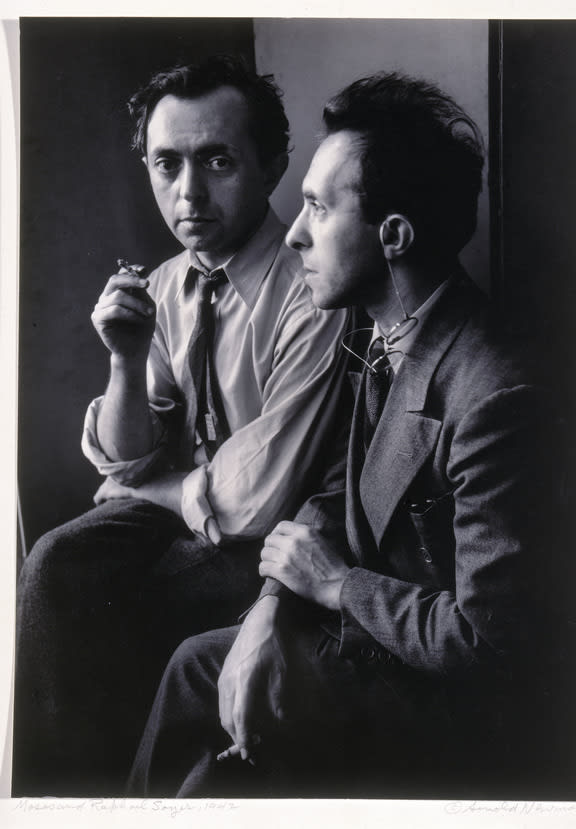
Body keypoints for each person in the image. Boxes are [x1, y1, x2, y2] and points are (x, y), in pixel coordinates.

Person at [126, 72, 575, 801]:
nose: (294, 233)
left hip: (446, 708)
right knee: (193, 667)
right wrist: (271, 604)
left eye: (317, 208)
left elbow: (488, 641)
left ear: (392, 235)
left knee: (206, 756)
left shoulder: (495, 394)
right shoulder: (383, 332)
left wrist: (336, 585)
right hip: (368, 641)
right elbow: (342, 487)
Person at [13, 55, 350, 796]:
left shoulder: (311, 292)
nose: (188, 193)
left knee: (134, 602)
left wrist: (149, 487)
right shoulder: (167, 284)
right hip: (191, 506)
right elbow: (127, 459)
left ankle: (133, 789)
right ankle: (60, 796)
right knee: (53, 563)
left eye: (217, 161)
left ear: (272, 166)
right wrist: (126, 360)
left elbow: (255, 499)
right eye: (167, 164)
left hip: (271, 529)